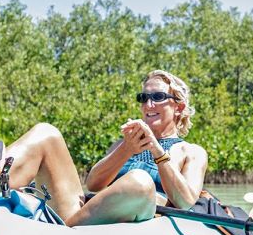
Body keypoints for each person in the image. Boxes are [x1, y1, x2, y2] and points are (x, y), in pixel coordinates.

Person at [81, 69, 208, 221]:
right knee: (53, 136)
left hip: (148, 219)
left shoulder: (191, 152)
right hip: (104, 214)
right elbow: (93, 185)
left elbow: (186, 202)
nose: (148, 105)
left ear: (178, 108)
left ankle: (70, 229)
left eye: (158, 97)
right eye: (143, 98)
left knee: (138, 179)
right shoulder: (122, 144)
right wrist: (126, 149)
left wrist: (157, 151)